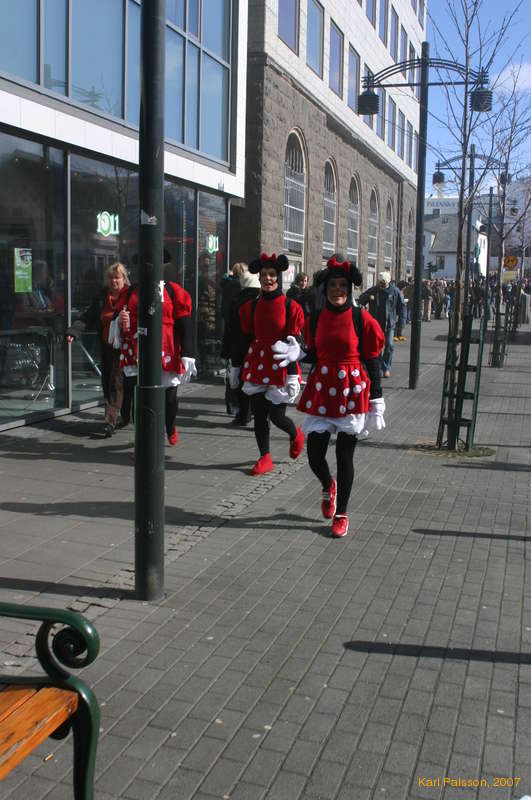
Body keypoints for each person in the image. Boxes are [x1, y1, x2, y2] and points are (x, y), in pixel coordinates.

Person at [277, 255, 385, 538]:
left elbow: (372, 360)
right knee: (314, 454)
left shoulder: (361, 319)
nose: (338, 289)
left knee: (344, 455)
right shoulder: (315, 320)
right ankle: (328, 485)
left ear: (350, 289)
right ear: (325, 289)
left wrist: (377, 399)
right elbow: (315, 354)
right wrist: (299, 354)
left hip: (351, 391)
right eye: (333, 285)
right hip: (324, 389)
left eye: (343, 285)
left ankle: (342, 513)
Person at [229, 252, 305, 475]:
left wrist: (292, 374)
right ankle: (265, 456)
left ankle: (295, 434)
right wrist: (236, 366)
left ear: (278, 277)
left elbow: (293, 345)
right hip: (257, 362)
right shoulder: (251, 307)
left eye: (272, 274)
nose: (268, 278)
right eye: (264, 275)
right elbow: (243, 340)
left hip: (280, 364)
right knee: (259, 415)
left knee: (277, 416)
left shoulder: (291, 306)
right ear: (259, 277)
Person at [117, 277, 196, 449]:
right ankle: (143, 444)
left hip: (166, 348)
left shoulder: (172, 290)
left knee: (169, 398)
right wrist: (120, 320)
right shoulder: (130, 292)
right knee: (140, 399)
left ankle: (170, 425)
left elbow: (185, 323)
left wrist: (188, 353)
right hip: (137, 348)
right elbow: (122, 319)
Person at [66, 262, 130, 437]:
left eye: (117, 277)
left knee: (116, 382)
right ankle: (119, 417)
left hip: (126, 347)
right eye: (111, 278)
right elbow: (88, 316)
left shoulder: (130, 296)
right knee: (108, 381)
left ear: (124, 279)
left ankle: (112, 421)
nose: (114, 281)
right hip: (107, 346)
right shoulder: (103, 297)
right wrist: (74, 331)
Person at [224, 269, 261, 425]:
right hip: (259, 347)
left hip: (239, 346)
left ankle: (243, 415)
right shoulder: (263, 300)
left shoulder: (238, 300)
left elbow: (230, 327)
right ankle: (260, 417)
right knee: (259, 383)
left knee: (241, 381)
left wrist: (227, 350)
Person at [359, 271, 405, 378]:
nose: (381, 285)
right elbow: (361, 299)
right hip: (376, 324)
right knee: (377, 347)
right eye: (380, 283)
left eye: (383, 283)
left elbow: (401, 306)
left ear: (388, 282)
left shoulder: (395, 292)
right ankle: (379, 367)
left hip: (390, 324)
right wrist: (368, 297)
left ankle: (386, 367)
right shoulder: (374, 290)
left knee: (389, 346)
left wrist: (401, 322)